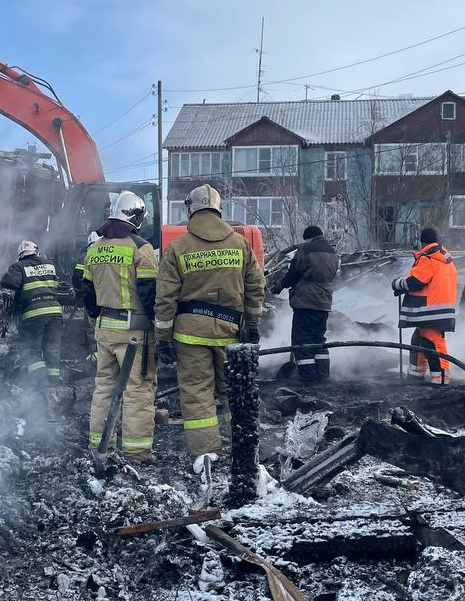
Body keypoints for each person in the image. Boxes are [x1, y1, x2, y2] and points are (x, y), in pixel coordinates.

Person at [155, 184, 266, 458]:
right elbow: (256, 288)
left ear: (190, 209)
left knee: (197, 395)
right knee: (235, 392)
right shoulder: (240, 244)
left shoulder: (178, 247)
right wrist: (252, 325)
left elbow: (165, 297)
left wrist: (163, 338)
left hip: (189, 336)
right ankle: (242, 448)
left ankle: (206, 454)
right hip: (230, 333)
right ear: (218, 209)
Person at [80, 191, 159, 461]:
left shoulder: (94, 248)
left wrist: (96, 318)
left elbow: (86, 290)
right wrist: (156, 325)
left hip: (104, 328)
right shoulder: (141, 248)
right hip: (134, 331)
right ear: (135, 217)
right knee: (137, 388)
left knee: (104, 386)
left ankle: (99, 444)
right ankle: (137, 451)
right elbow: (150, 292)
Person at [270, 225, 340, 382]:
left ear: (308, 237)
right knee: (318, 339)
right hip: (323, 301)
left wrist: (281, 284)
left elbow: (294, 273)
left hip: (305, 301)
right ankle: (323, 376)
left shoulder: (306, 250)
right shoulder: (332, 252)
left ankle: (307, 377)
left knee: (302, 340)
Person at [391, 228, 458, 386]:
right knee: (419, 339)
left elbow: (415, 281)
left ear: (422, 242)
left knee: (433, 342)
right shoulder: (444, 258)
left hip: (430, 310)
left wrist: (397, 284)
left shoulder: (428, 258)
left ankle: (441, 379)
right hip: (441, 308)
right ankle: (416, 374)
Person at [0, 240, 63, 386]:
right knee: (52, 347)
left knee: (32, 348)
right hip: (55, 312)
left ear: (21, 255)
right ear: (36, 251)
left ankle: (40, 382)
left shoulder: (19, 266)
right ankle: (54, 381)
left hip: (35, 313)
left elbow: (8, 282)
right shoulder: (49, 265)